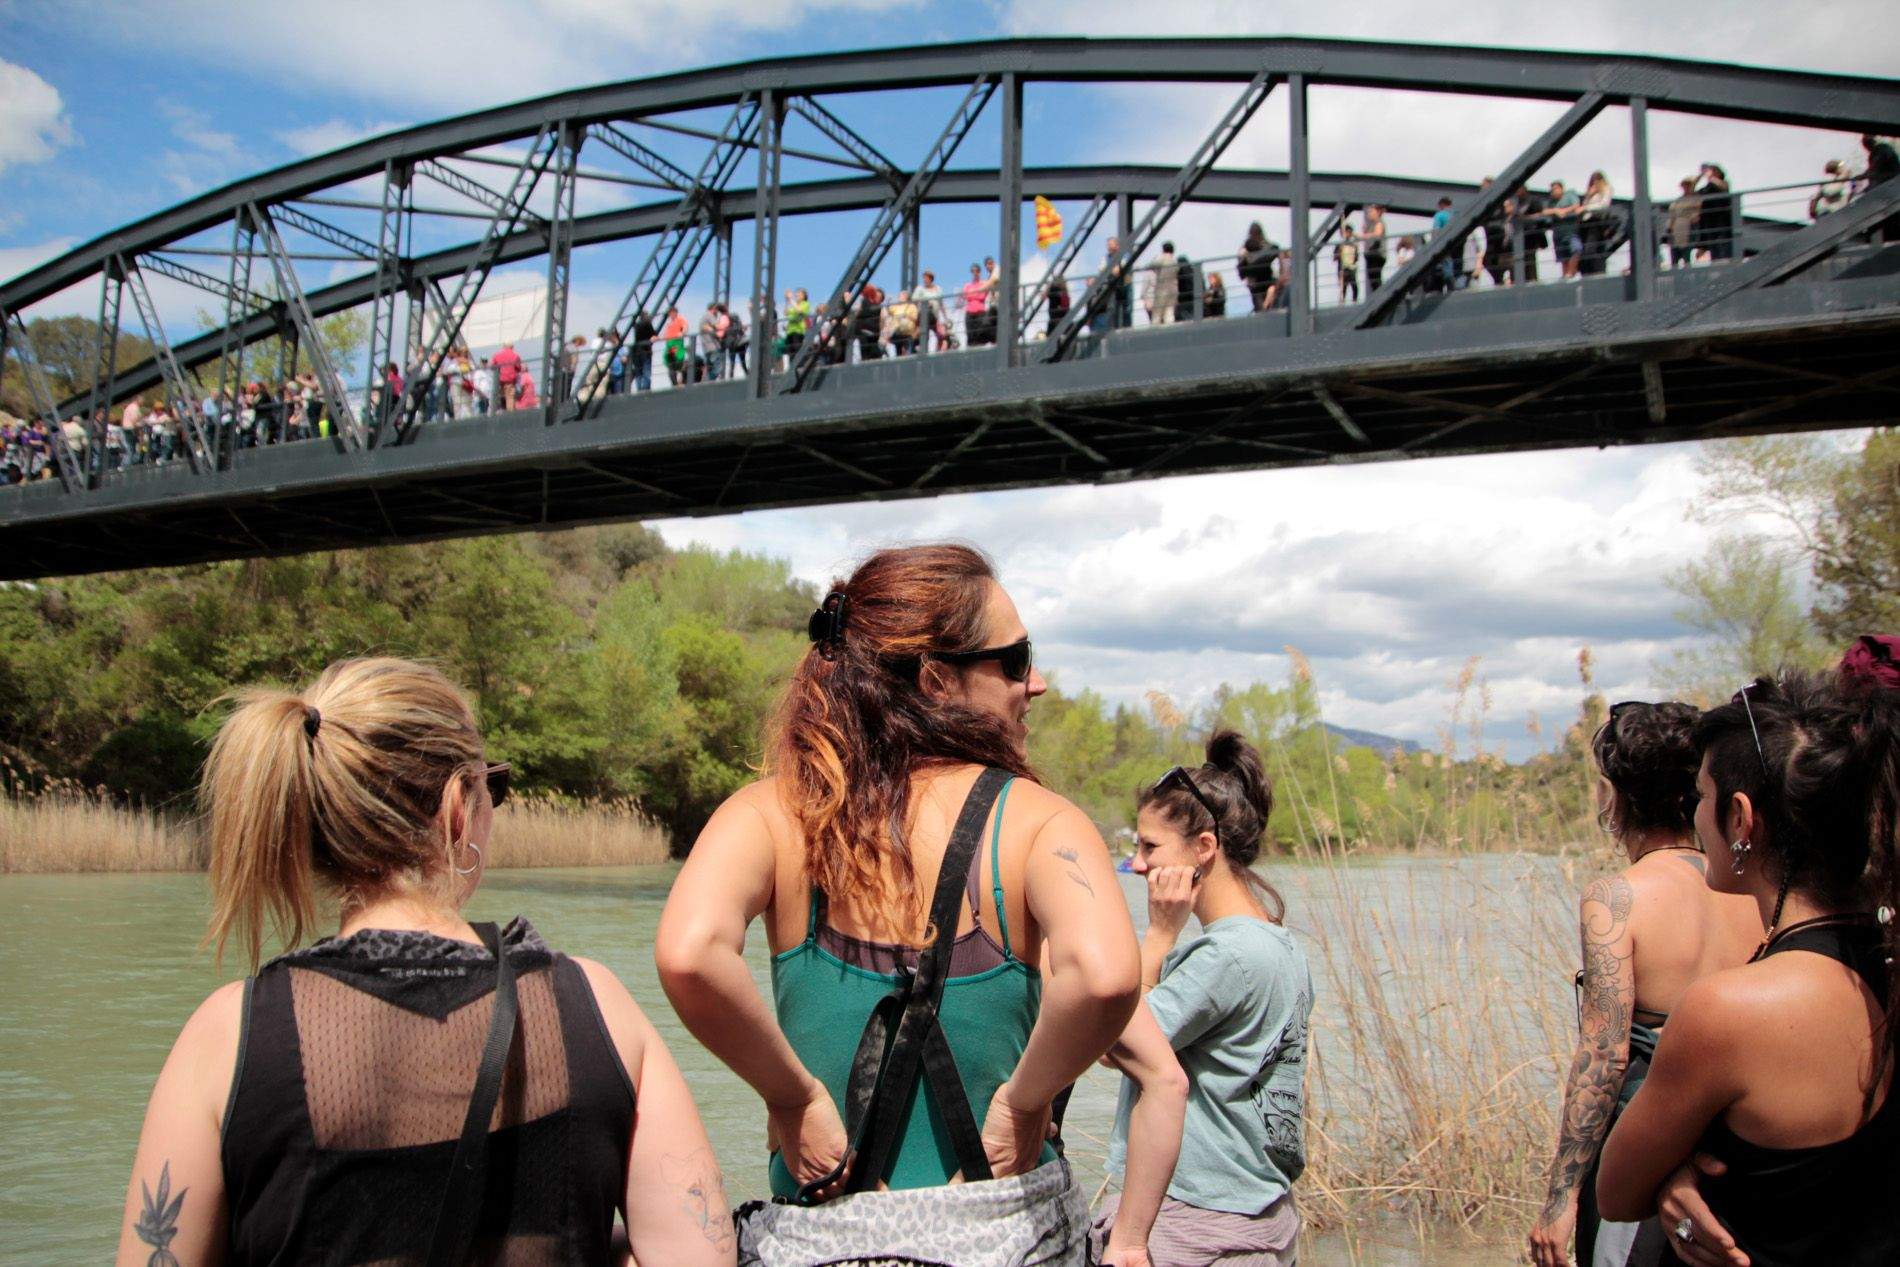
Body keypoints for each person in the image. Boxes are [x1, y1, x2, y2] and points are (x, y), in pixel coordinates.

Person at [112, 657, 732, 1266]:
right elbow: (699, 1256)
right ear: (459, 807)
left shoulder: (226, 1038)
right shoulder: (595, 1005)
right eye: (495, 787)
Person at [655, 545, 1143, 1265]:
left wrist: (792, 1097)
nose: (1034, 683)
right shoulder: (1043, 822)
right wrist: (1026, 1099)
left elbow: (689, 953)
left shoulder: (772, 815)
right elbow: (1104, 977)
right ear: (939, 680)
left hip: (818, 1240)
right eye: (1014, 659)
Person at [1597, 671, 1900, 1266]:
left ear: (1740, 819)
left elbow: (1616, 1191)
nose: (1695, 816)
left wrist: (1676, 1173)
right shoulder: (1884, 964)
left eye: (1702, 797)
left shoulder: (1731, 1008)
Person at [1526, 702, 1761, 1267]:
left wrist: (1561, 1199)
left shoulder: (1617, 897)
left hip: (1642, 1152)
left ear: (1614, 795)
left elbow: (1603, 1056)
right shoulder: (1752, 889)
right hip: (1733, 1149)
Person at [1091, 731, 1313, 1267]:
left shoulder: (1222, 959)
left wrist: (1160, 934)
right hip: (1260, 1214)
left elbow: (1112, 1043)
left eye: (1149, 846)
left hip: (1190, 1219)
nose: (1138, 863)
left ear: (1204, 849)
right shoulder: (1282, 945)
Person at [1578, 172, 1616, 276]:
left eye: (1596, 181)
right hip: (1586, 223)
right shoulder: (1591, 193)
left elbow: (1603, 205)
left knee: (1592, 249)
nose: (1594, 184)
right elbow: (1584, 206)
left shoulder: (1606, 189)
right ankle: (1588, 273)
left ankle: (1596, 273)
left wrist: (1585, 208)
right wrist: (1588, 196)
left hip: (1597, 222)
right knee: (1586, 250)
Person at [1693, 164, 1733, 262]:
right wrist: (1700, 175)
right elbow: (1691, 189)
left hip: (1722, 224)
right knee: (1714, 254)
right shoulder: (1706, 189)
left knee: (1723, 252)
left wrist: (1711, 176)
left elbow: (1724, 186)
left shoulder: (1722, 183)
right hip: (1709, 225)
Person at [1548, 180, 1585, 278]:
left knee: (1576, 249)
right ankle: (1566, 277)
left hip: (1571, 231)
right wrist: (1555, 210)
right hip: (1558, 233)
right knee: (1563, 258)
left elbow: (1576, 205)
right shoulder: (1552, 202)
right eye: (1552, 190)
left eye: (1555, 189)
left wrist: (1564, 211)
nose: (1553, 192)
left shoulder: (1570, 195)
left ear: (1561, 188)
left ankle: (1571, 272)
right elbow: (1544, 211)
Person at [1238, 223, 1275, 311]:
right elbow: (1241, 270)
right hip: (1255, 284)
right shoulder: (1247, 247)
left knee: (1266, 303)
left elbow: (1274, 251)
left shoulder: (1266, 245)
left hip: (1265, 279)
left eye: (1255, 233)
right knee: (1258, 303)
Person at [1666, 178, 1701, 269]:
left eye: (1688, 185)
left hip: (1687, 227)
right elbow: (1672, 214)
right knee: (1674, 256)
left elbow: (1696, 213)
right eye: (1684, 185)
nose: (1686, 187)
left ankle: (1687, 276)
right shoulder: (1678, 200)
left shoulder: (1696, 198)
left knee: (1686, 256)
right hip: (1675, 229)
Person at [1150, 241, 1179, 325]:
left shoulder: (1162, 259)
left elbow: (1151, 265)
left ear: (1163, 250)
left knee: (1157, 314)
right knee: (1169, 313)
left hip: (1161, 289)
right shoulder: (1174, 261)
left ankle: (1154, 331)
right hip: (1173, 290)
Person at [914, 271, 943, 352]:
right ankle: (922, 345)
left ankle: (935, 346)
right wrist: (924, 302)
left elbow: (941, 303)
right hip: (923, 313)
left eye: (926, 278)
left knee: (938, 332)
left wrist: (945, 317)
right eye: (924, 278)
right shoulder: (920, 289)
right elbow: (914, 301)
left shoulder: (938, 289)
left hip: (934, 315)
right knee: (925, 327)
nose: (924, 280)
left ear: (930, 279)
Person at [1360, 206, 1388, 291]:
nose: (1369, 214)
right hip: (1372, 255)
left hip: (1376, 255)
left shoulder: (1379, 223)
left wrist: (1362, 235)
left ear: (1377, 212)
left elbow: (1377, 234)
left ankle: (1380, 295)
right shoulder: (1372, 224)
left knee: (1375, 278)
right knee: (1373, 279)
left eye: (1371, 212)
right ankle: (1378, 294)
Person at [1333, 223, 1362, 303]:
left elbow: (1356, 258)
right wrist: (1340, 252)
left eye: (1349, 232)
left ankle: (1354, 301)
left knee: (1354, 286)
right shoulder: (1339, 245)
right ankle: (1342, 303)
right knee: (1343, 288)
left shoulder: (1354, 245)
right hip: (1342, 269)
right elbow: (1334, 258)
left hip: (1351, 268)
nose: (1348, 234)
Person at [491, 341, 521, 410]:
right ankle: (509, 416)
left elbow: (492, 367)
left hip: (499, 381)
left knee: (500, 398)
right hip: (510, 381)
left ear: (504, 346)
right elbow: (519, 368)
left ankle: (500, 412)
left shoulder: (497, 355)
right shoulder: (515, 355)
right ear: (512, 347)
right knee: (510, 399)